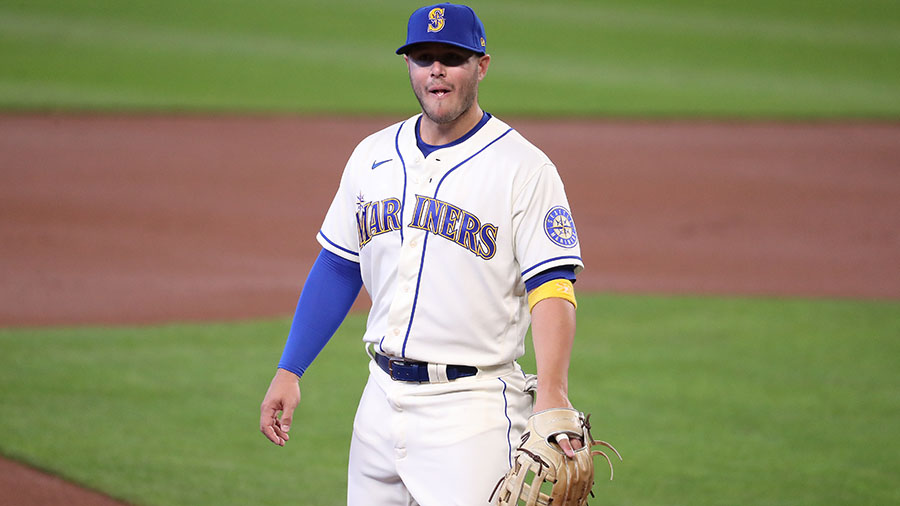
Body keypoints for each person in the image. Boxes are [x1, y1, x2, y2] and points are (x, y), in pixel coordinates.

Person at [260, 3, 586, 504]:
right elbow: (338, 266)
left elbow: (552, 286)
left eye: (452, 57)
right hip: (379, 401)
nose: (436, 69)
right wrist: (291, 367)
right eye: (423, 57)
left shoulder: (524, 168)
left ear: (481, 65)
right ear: (408, 66)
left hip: (471, 411)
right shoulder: (371, 155)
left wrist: (552, 393)